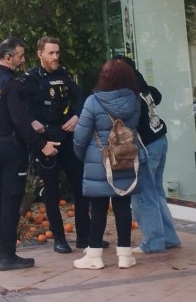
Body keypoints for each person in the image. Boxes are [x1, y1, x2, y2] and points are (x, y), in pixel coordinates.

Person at [0, 36, 60, 271]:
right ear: (8, 57)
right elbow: (20, 122)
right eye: (19, 55)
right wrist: (42, 145)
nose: (22, 59)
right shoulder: (11, 84)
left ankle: (1, 250)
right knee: (10, 200)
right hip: (10, 148)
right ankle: (8, 255)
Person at [21, 36, 94, 254]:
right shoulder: (30, 78)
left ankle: (84, 236)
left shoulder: (63, 75)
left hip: (68, 136)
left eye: (57, 53)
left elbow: (82, 97)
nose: (55, 57)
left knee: (81, 187)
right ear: (40, 54)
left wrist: (78, 116)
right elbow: (19, 108)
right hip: (46, 141)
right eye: (51, 53)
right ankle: (59, 238)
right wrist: (31, 121)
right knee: (51, 191)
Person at [72, 58, 143, 270]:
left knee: (98, 207)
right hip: (125, 157)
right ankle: (125, 255)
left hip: (99, 160)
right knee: (123, 206)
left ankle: (94, 255)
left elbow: (80, 136)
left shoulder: (93, 102)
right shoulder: (135, 100)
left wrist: (82, 155)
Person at [113, 55, 181, 254]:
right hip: (160, 139)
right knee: (157, 193)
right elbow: (157, 96)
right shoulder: (141, 85)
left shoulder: (129, 92)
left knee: (143, 195)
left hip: (147, 146)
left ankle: (153, 241)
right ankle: (168, 237)